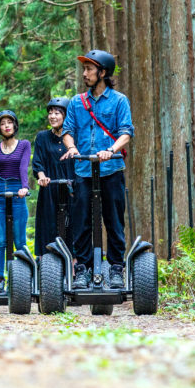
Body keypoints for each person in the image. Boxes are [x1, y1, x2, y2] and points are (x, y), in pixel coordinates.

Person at [60, 50, 134, 290]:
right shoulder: (76, 102)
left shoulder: (119, 100)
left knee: (113, 221)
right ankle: (82, 268)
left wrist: (111, 149)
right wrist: (71, 148)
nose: (85, 74)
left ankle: (115, 269)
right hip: (83, 170)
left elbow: (126, 132)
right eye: (84, 70)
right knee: (81, 221)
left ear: (103, 73)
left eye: (89, 70)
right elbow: (67, 130)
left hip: (111, 169)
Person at [0, 110, 31, 293]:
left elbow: (23, 167)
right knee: (0, 241)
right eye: (3, 123)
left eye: (9, 122)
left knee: (20, 241)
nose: (6, 125)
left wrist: (25, 187)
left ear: (14, 126)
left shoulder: (24, 145)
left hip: (17, 191)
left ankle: (24, 279)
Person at [32, 97, 79, 257]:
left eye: (57, 113)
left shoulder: (73, 138)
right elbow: (38, 162)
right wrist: (42, 177)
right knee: (48, 226)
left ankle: (75, 265)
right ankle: (47, 264)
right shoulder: (42, 137)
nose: (52, 116)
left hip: (72, 188)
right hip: (50, 188)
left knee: (74, 225)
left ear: (65, 115)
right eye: (50, 113)